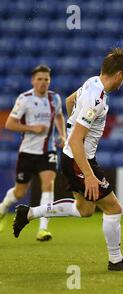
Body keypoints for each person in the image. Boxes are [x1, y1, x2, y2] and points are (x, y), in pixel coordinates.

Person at [12, 48, 123, 271]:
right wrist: (90, 175)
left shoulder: (92, 81)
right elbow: (75, 141)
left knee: (84, 210)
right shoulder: (97, 99)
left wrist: (74, 122)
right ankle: (116, 260)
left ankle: (29, 213)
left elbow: (68, 101)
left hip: (73, 158)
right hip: (78, 159)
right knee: (114, 208)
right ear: (120, 74)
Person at [0, 65, 66, 241]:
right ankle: (2, 208)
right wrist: (32, 128)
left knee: (48, 184)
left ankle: (43, 229)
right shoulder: (25, 99)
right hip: (28, 152)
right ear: (33, 81)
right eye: (40, 79)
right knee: (20, 192)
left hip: (48, 150)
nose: (43, 82)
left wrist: (63, 135)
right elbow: (10, 124)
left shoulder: (55, 99)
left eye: (46, 79)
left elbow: (59, 116)